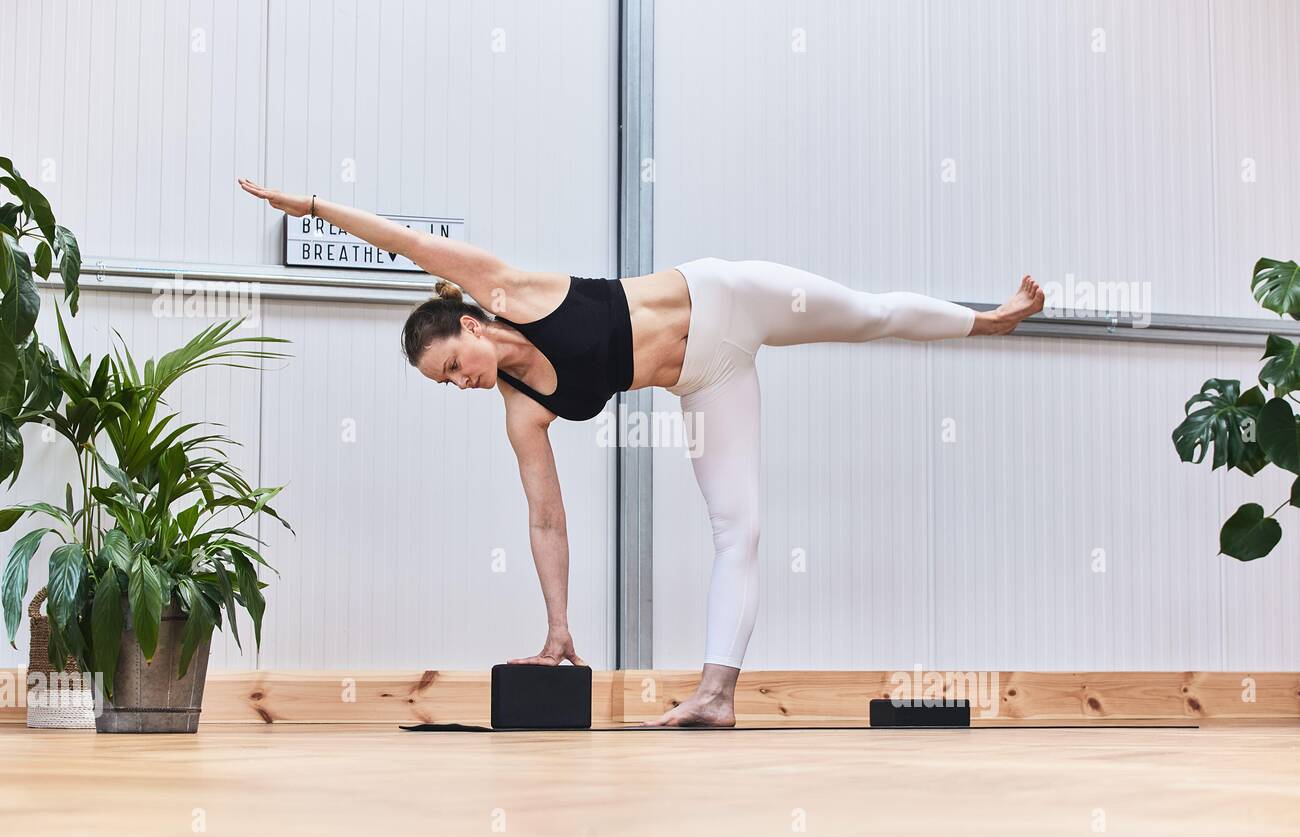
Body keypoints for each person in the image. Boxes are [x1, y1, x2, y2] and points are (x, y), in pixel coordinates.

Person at [240, 179, 1044, 726]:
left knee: (868, 315)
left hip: (726, 297)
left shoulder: (505, 286)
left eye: (454, 366)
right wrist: (557, 631)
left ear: (473, 328)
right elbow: (547, 520)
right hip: (707, 375)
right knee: (741, 528)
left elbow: (403, 241)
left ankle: (992, 318)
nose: (459, 383)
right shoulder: (524, 411)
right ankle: (716, 695)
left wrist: (310, 205)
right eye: (445, 384)